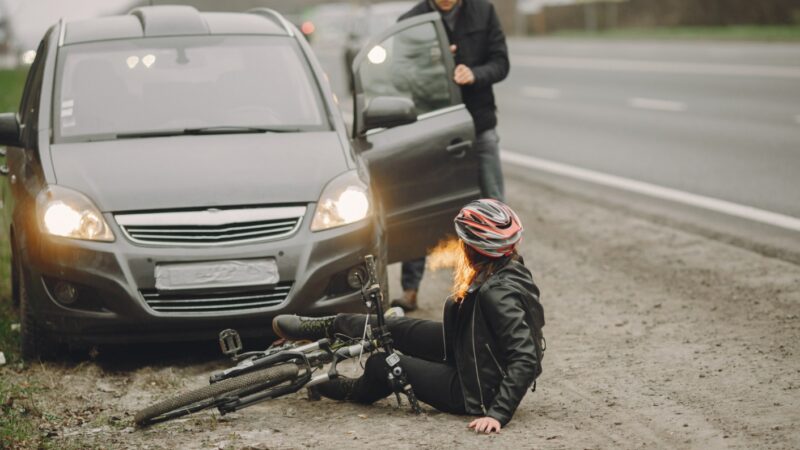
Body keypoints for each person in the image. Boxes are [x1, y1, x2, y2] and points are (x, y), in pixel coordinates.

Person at [273, 199, 544, 434]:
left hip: (473, 390)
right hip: (469, 351)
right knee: (393, 326)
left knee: (383, 363)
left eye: (464, 241)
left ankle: (349, 389)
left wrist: (497, 414)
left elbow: (526, 356)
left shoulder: (498, 293)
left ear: (476, 248)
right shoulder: (505, 268)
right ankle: (325, 326)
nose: (461, 246)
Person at [392, 0, 510, 311]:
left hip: (478, 124)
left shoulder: (483, 11)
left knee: (493, 203)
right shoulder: (411, 21)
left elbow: (501, 63)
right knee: (418, 206)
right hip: (430, 129)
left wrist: (475, 73)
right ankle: (410, 289)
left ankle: (503, 282)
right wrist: (436, 71)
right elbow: (399, 77)